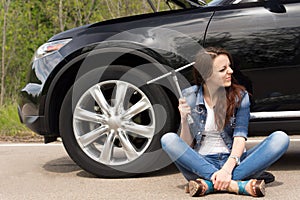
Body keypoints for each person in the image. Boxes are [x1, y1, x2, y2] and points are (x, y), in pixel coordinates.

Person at [161, 47, 290, 197]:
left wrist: (227, 169)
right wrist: (183, 119)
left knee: (280, 138)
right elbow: (186, 147)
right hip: (200, 164)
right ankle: (235, 184)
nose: (230, 72)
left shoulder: (239, 96)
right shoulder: (189, 96)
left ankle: (209, 184)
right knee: (168, 139)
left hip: (234, 162)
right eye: (223, 69)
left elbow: (240, 137)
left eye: (229, 66)